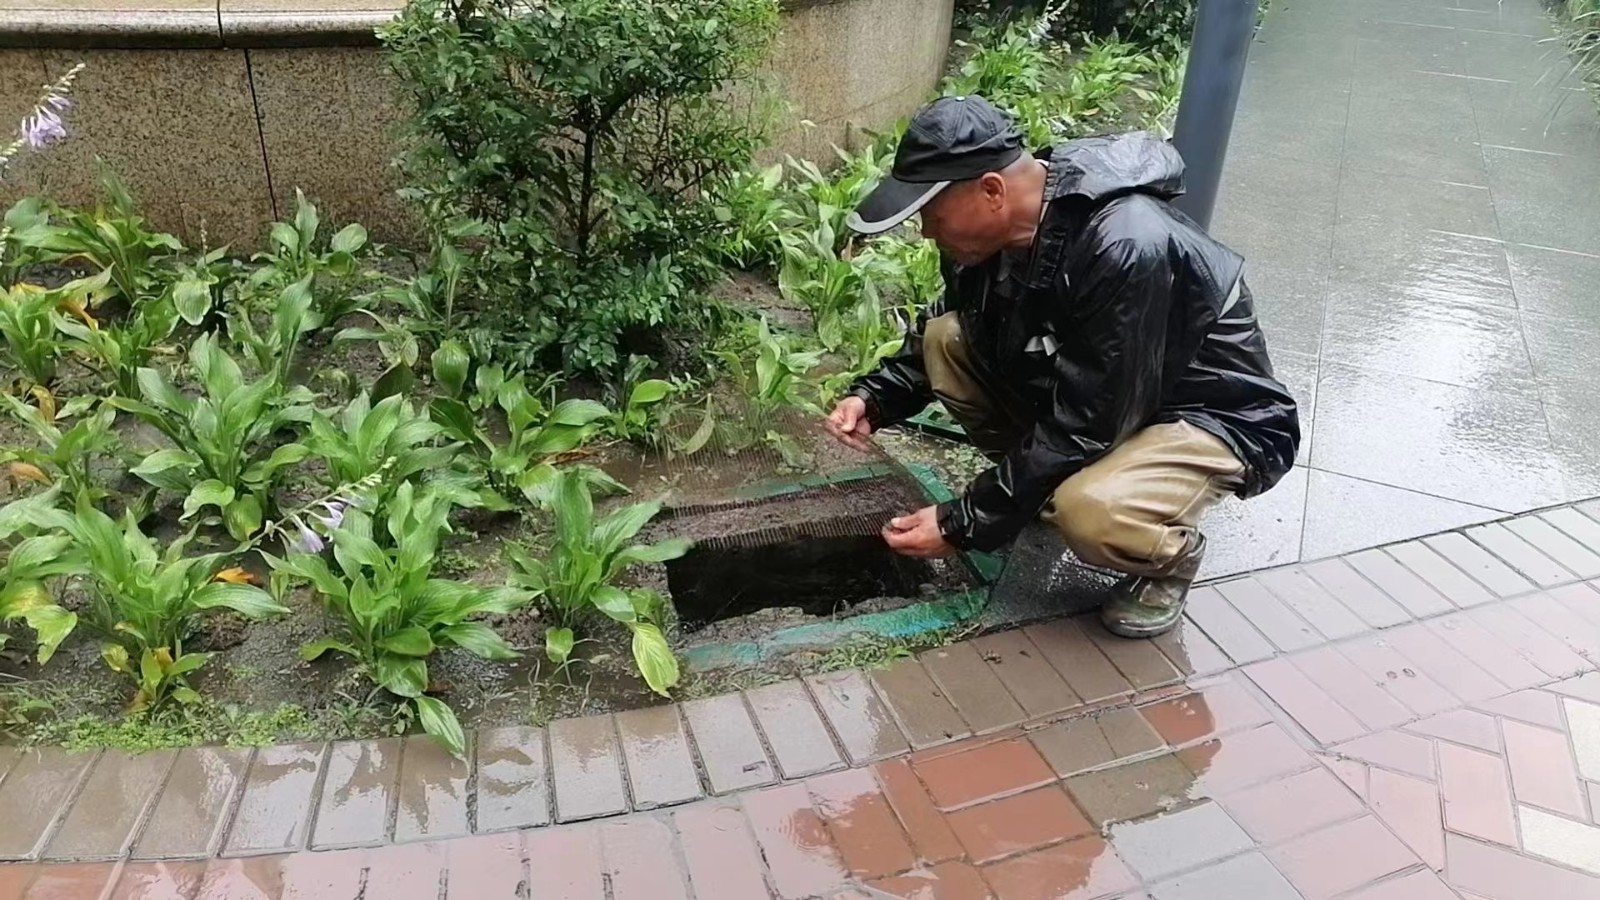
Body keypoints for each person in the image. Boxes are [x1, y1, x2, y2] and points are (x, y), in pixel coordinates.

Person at [824, 95, 1300, 639]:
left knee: (1089, 511)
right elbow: (964, 328)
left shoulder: (1126, 243)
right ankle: (1035, 496)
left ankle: (1168, 560)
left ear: (992, 191)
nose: (928, 233)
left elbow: (1086, 422)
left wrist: (962, 523)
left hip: (1209, 414)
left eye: (932, 216)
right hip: (1112, 401)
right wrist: (876, 397)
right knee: (945, 339)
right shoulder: (986, 243)